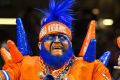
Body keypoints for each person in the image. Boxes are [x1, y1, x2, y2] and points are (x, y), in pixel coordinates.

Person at [0, 0, 112, 80]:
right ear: (40, 45)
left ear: (70, 44)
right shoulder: (22, 65)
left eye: (63, 37)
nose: (57, 41)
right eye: (50, 37)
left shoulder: (93, 67)